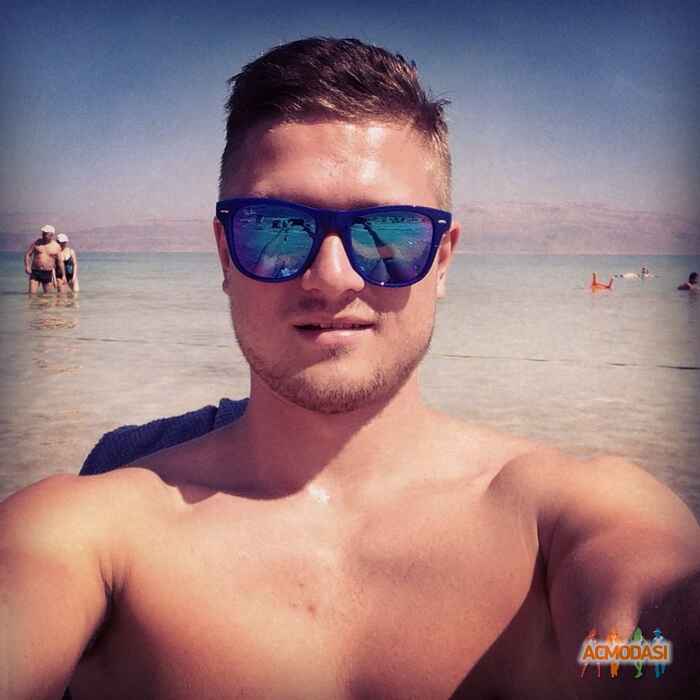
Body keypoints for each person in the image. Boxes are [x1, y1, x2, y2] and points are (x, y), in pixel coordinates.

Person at [2, 37, 699, 700]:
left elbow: (646, 641)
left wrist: (643, 655)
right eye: (275, 229)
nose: (332, 277)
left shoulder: (559, 523)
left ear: (443, 259)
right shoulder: (99, 532)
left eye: (388, 232)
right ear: (224, 253)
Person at [23, 224, 65, 294]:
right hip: (35, 271)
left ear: (51, 235)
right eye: (43, 233)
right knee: (31, 295)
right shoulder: (37, 243)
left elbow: (60, 262)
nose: (43, 235)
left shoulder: (56, 246)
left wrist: (63, 275)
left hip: (47, 273)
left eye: (45, 234)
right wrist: (27, 266)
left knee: (47, 297)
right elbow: (28, 255)